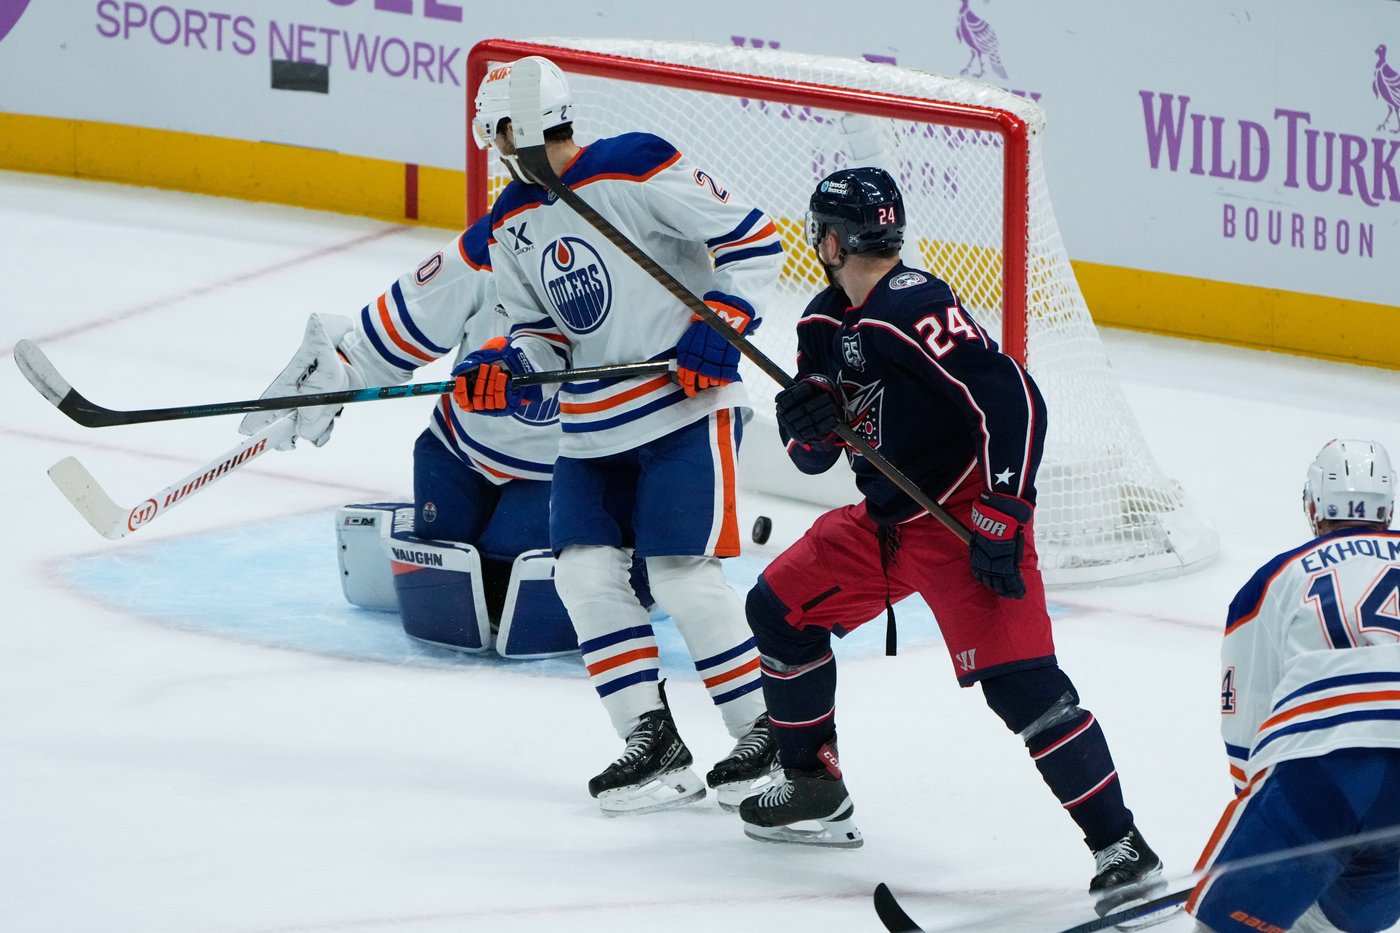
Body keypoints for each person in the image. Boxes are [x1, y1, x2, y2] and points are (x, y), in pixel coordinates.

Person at [737, 166, 1166, 915]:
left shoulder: (916, 306)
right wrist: (805, 423)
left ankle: (1121, 845)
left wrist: (1006, 508)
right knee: (780, 607)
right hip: (886, 524)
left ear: (832, 239)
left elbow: (1016, 399)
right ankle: (813, 781)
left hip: (963, 523)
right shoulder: (817, 323)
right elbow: (819, 456)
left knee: (1027, 691)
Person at [454, 55, 781, 814]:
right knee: (583, 574)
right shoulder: (511, 220)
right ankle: (652, 741)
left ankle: (765, 729)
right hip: (592, 425)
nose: (493, 141)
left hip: (681, 410)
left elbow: (754, 241)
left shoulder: (635, 164)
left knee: (679, 573)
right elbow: (539, 334)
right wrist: (505, 366)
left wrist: (722, 324)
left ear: (520, 125)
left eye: (499, 127)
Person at [240, 215, 568, 640]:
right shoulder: (489, 246)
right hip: (457, 449)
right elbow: (399, 327)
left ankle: (639, 553)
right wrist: (342, 373)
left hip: (560, 467)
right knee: (450, 593)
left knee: (507, 594)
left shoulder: (621, 264)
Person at [1187, 439, 1400, 933]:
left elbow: (1247, 715)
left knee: (1232, 926)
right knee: (1341, 923)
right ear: (1388, 508)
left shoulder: (1275, 578)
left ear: (1312, 506)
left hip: (1324, 770)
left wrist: (1265, 821)